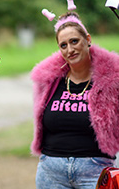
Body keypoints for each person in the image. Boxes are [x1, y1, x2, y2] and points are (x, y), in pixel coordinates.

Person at [31, 11, 119, 188]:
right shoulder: (49, 81)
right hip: (51, 172)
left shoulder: (112, 81)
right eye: (63, 45)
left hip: (95, 171)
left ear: (88, 39)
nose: (70, 50)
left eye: (74, 41)